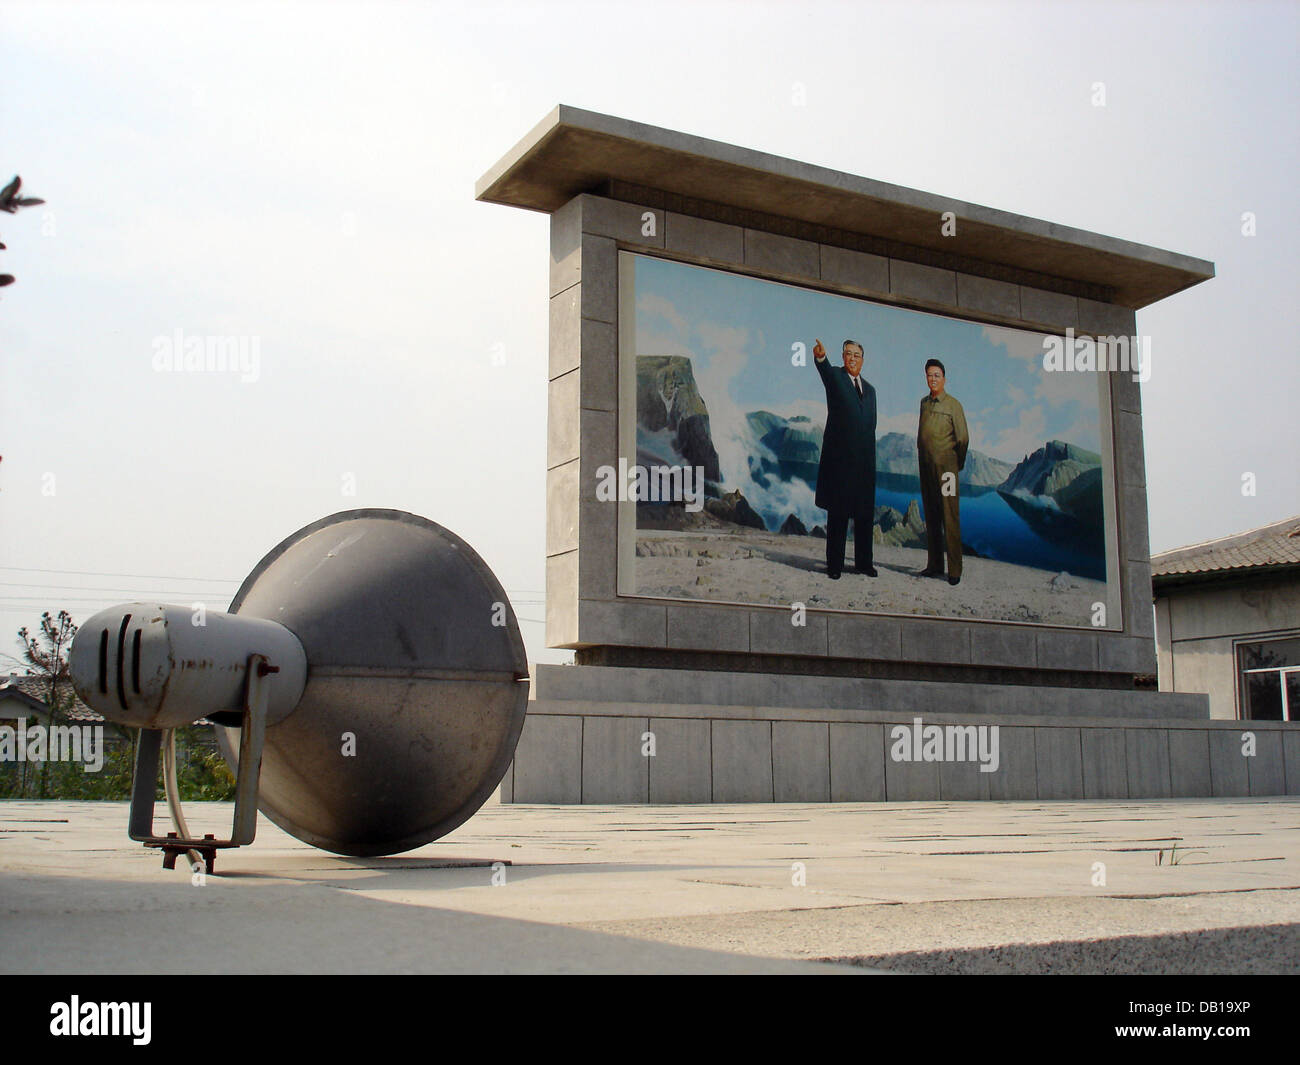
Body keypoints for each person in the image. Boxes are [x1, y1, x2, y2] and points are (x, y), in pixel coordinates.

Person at [812, 338, 877, 579]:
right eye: (848, 354)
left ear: (862, 359)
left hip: (864, 465)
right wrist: (820, 358)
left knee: (863, 517)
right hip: (840, 463)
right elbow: (825, 372)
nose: (852, 358)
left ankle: (863, 563)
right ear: (842, 357)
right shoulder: (836, 378)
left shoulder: (871, 391)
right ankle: (835, 566)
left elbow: (872, 427)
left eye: (856, 355)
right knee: (838, 516)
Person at [915, 358, 969, 586]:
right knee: (932, 515)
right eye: (929, 375)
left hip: (947, 471)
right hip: (926, 468)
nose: (933, 379)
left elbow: (963, 438)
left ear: (944, 379)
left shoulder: (954, 405)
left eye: (937, 375)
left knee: (949, 516)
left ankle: (954, 570)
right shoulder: (924, 403)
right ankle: (935, 564)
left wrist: (955, 464)